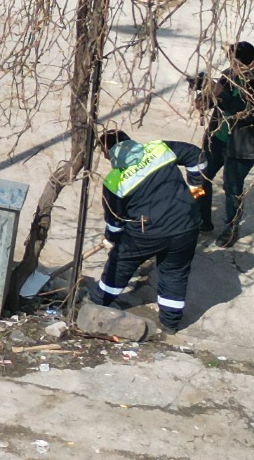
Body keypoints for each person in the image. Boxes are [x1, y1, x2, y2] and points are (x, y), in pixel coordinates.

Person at [85, 126, 213, 330]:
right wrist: (196, 187)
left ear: (109, 153)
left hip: (146, 233)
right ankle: (170, 323)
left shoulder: (114, 180)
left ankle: (96, 303)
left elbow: (115, 220)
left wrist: (112, 239)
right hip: (186, 225)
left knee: (120, 264)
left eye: (105, 155)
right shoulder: (158, 149)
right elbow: (196, 155)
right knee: (175, 272)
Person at [195, 41, 254, 244]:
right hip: (217, 137)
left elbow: (248, 113)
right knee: (199, 177)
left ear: (249, 63)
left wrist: (220, 93)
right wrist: (204, 94)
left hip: (242, 145)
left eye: (237, 63)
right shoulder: (229, 75)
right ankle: (201, 219)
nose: (233, 67)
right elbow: (214, 100)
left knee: (232, 186)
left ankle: (231, 228)